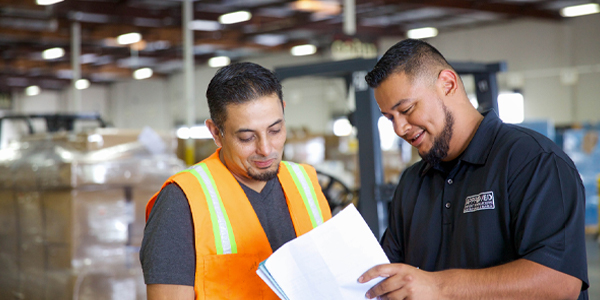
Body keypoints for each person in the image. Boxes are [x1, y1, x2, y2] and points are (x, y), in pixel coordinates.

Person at [358, 39, 589, 300]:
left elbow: (560, 283)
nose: (399, 128)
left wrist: (439, 287)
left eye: (406, 109)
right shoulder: (412, 182)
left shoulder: (534, 161)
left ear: (448, 84)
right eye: (390, 118)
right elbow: (383, 279)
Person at [140, 62, 332, 300]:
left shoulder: (305, 181)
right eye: (247, 137)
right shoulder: (182, 201)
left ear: (283, 111)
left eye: (275, 130)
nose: (265, 149)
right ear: (216, 133)